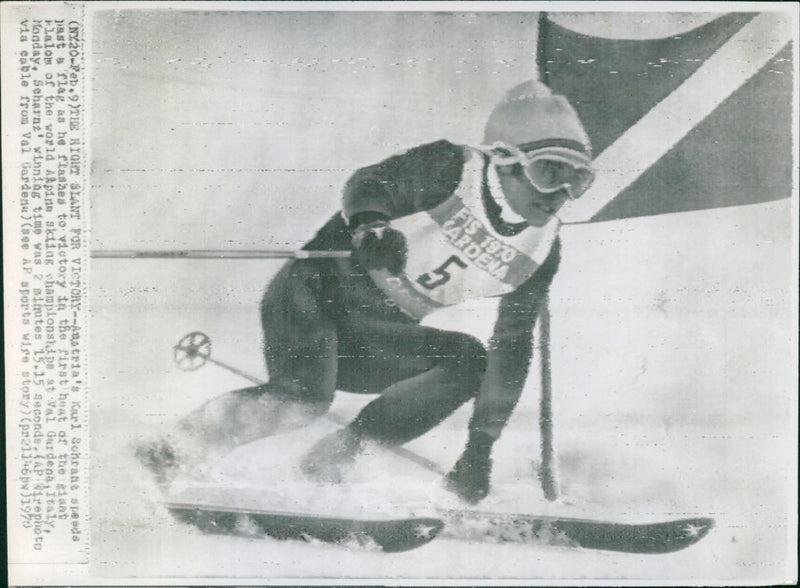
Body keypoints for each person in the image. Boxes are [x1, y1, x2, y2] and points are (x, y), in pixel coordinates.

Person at [136, 80, 595, 504]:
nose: (559, 195)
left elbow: (511, 348)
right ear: (504, 159)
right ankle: (169, 455)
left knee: (468, 360)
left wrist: (480, 449)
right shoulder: (454, 168)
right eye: (548, 172)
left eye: (578, 181)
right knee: (303, 400)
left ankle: (328, 465)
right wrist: (370, 224)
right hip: (312, 295)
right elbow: (368, 182)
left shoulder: (540, 251)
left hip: (375, 336)